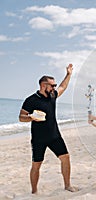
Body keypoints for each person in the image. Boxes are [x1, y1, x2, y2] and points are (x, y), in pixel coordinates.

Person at [18, 64, 78, 194]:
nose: (54, 88)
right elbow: (21, 117)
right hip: (38, 139)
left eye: (54, 85)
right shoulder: (31, 100)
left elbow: (63, 87)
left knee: (66, 158)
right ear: (43, 85)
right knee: (36, 165)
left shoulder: (52, 96)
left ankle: (67, 185)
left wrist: (68, 74)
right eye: (52, 85)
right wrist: (32, 117)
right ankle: (34, 191)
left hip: (54, 136)